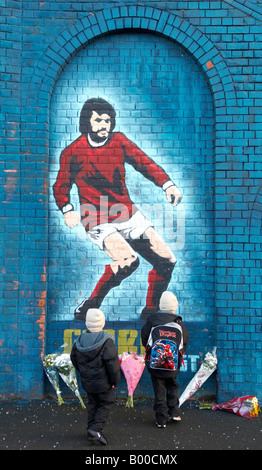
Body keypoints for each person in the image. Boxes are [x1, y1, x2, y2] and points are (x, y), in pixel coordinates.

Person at [53, 97, 182, 321]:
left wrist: (167, 184)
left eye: (108, 120)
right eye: (98, 121)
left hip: (127, 213)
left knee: (167, 260)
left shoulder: (119, 141)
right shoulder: (72, 152)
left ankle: (150, 312)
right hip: (96, 217)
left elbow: (144, 162)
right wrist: (67, 208)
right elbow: (60, 185)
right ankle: (91, 304)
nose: (104, 125)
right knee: (129, 261)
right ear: (87, 122)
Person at [70, 308, 120, 445]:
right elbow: (113, 365)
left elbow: (73, 359)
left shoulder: (79, 341)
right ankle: (96, 429)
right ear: (102, 323)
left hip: (88, 382)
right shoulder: (107, 341)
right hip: (104, 383)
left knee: (93, 404)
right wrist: (115, 381)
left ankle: (90, 431)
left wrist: (84, 373)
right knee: (106, 402)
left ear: (87, 323)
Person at [141, 291, 189, 427]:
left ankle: (161, 419)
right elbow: (184, 341)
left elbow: (145, 338)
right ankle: (174, 412)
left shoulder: (152, 320)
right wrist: (178, 355)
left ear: (161, 306)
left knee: (159, 390)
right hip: (172, 364)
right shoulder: (178, 322)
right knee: (172, 386)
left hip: (155, 364)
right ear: (174, 307)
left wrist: (152, 353)